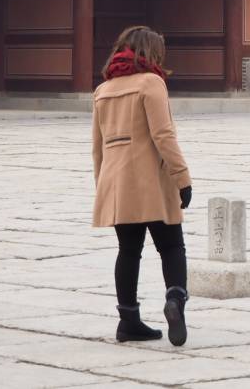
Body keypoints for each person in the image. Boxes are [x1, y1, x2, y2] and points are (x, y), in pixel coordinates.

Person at [92, 25, 192, 345]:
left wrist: (103, 187)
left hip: (117, 183)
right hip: (151, 181)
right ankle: (175, 300)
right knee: (172, 246)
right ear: (152, 52)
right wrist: (182, 178)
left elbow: (98, 147)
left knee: (128, 251)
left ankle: (128, 321)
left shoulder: (103, 90)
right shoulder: (152, 83)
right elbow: (163, 136)